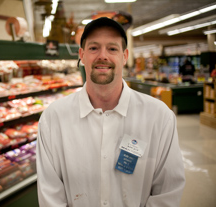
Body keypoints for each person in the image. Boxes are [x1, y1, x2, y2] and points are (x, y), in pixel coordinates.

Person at [36, 17, 185, 207]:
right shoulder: (53, 119)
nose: (102, 56)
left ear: (124, 56)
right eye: (93, 48)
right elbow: (50, 195)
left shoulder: (159, 117)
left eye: (112, 48)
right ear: (81, 55)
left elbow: (168, 191)